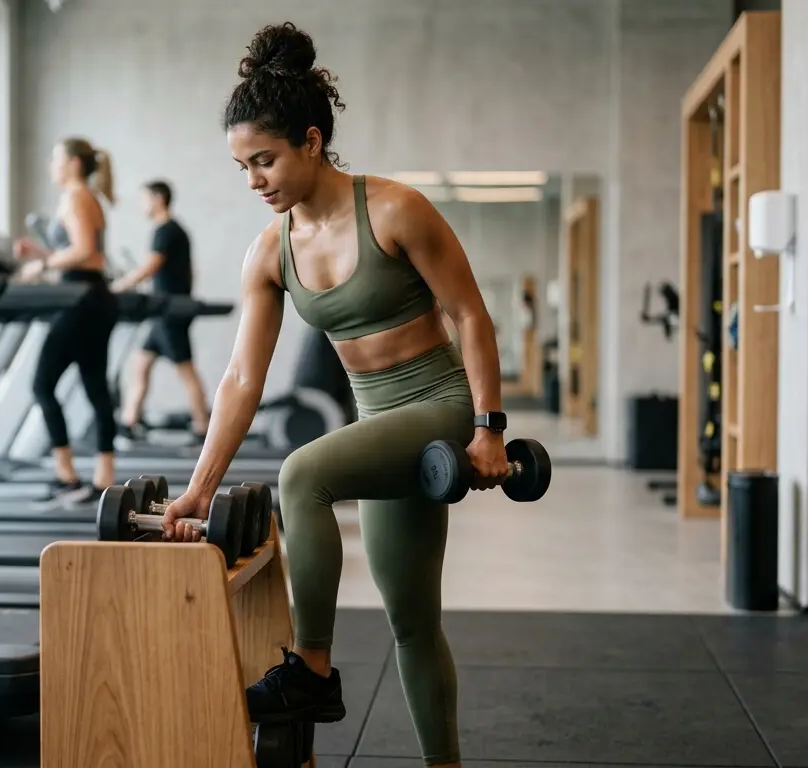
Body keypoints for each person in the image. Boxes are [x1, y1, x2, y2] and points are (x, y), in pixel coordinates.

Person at [159, 23, 511, 768]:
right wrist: (198, 489)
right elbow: (240, 380)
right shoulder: (271, 250)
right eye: (241, 166)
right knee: (412, 619)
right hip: (380, 421)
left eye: (266, 159)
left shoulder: (395, 210)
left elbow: (470, 316)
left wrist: (488, 429)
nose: (254, 179)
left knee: (301, 473)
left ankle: (311, 672)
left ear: (312, 141)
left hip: (440, 406)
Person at [13, 137, 119, 505]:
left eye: (55, 158)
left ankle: (67, 475)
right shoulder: (87, 197)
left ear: (73, 163)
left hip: (80, 300)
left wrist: (41, 264)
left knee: (43, 385)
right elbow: (79, 251)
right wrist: (41, 252)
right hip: (92, 296)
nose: (50, 165)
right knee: (95, 386)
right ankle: (103, 477)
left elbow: (84, 252)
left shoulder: (76, 196)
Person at [111, 180, 211, 441]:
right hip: (163, 311)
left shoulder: (166, 231)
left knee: (185, 369)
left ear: (158, 198)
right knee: (141, 363)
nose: (141, 205)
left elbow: (150, 267)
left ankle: (203, 426)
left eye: (144, 199)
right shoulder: (172, 230)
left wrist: (119, 285)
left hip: (169, 312)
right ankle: (130, 420)